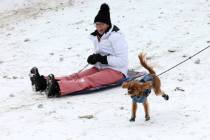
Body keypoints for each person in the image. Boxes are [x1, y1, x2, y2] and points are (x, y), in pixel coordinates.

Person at [29, 3, 128, 97]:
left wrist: (103, 59)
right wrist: (94, 58)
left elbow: (122, 61)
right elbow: (102, 53)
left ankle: (57, 87)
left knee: (88, 80)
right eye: (97, 24)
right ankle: (43, 82)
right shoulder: (97, 36)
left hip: (117, 71)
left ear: (107, 24)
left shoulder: (116, 37)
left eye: (101, 24)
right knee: (75, 76)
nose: (99, 27)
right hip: (100, 68)